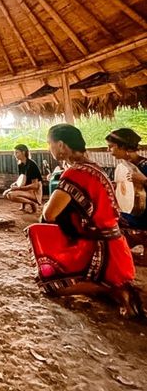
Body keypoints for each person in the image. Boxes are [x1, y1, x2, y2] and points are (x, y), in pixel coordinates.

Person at [26, 124, 142, 319]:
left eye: (49, 144)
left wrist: (50, 202)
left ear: (61, 145)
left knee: (49, 285)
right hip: (116, 248)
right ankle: (114, 287)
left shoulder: (75, 173)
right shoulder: (93, 168)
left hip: (101, 251)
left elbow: (50, 214)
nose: (49, 148)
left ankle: (110, 288)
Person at [106, 128, 147, 265]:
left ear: (123, 147)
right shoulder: (122, 168)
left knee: (111, 221)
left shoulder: (145, 165)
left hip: (143, 216)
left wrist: (144, 180)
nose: (108, 150)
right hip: (132, 212)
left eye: (111, 147)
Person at [3, 144, 43, 212]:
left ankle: (33, 203)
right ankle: (24, 206)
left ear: (23, 152)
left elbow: (35, 186)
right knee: (5, 194)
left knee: (11, 195)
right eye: (14, 153)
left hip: (35, 192)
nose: (15, 155)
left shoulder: (32, 164)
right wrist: (15, 184)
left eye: (17, 152)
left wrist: (18, 188)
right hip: (26, 189)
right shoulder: (20, 164)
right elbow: (22, 180)